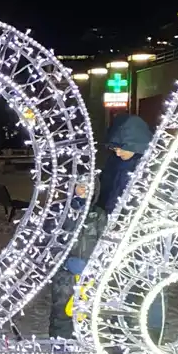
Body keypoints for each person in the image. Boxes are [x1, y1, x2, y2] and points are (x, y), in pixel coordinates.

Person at [49, 113, 154, 341]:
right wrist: (85, 197)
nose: (116, 152)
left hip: (132, 244)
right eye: (114, 148)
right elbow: (101, 197)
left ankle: (131, 340)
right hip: (104, 236)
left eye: (120, 147)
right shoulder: (117, 165)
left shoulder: (147, 170)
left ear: (134, 143)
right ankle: (85, 339)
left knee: (131, 296)